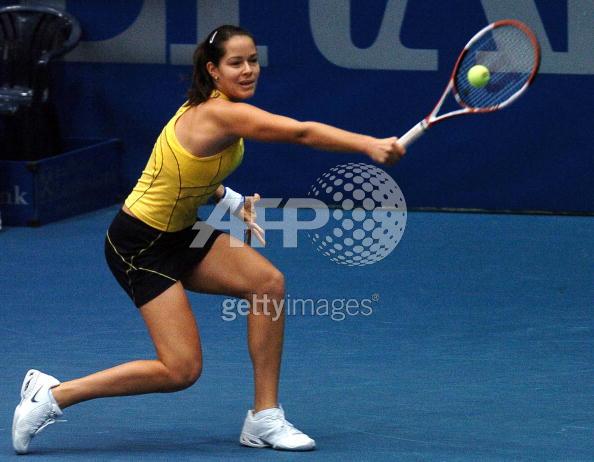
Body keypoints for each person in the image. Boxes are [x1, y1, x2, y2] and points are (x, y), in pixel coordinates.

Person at [12, 25, 404, 454]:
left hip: (181, 231)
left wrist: (234, 201)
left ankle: (264, 418)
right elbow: (300, 132)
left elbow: (185, 173)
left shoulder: (206, 111)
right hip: (138, 244)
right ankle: (52, 396)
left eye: (253, 60)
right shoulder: (221, 113)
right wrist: (369, 145)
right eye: (236, 63)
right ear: (213, 71)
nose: (248, 69)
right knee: (181, 370)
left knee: (267, 285)